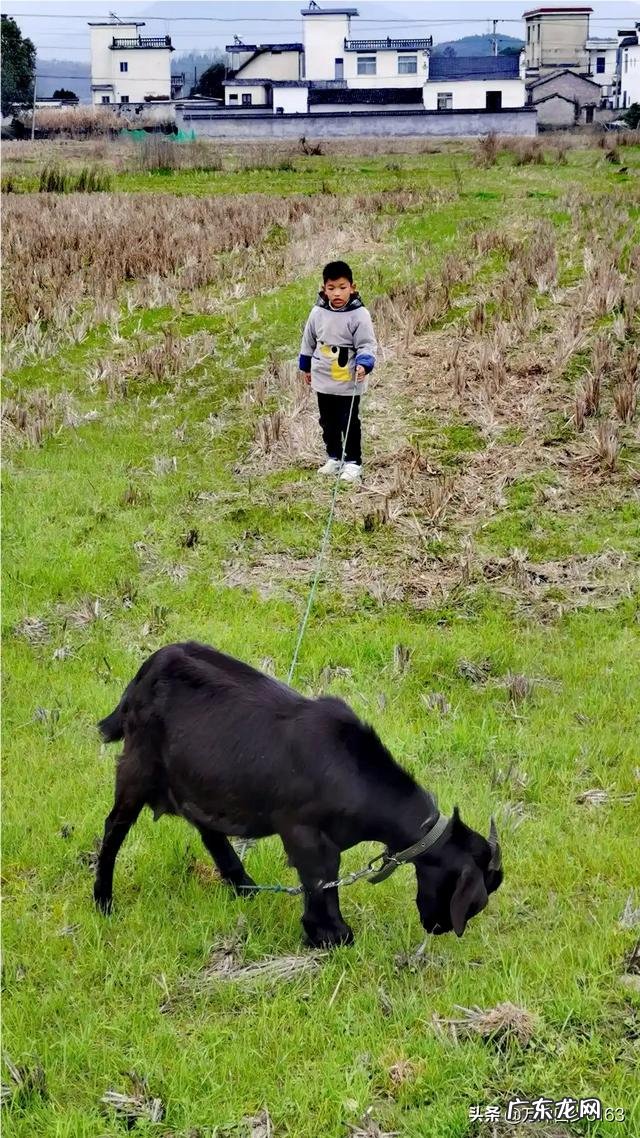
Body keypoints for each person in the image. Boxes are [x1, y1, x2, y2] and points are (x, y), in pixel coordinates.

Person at [299, 260, 377, 482]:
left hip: (348, 379)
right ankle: (334, 456)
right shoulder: (317, 312)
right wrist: (306, 367)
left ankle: (353, 462)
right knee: (328, 420)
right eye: (331, 288)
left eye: (342, 287)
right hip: (323, 376)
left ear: (352, 287)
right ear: (324, 289)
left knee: (349, 421)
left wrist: (364, 363)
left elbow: (366, 344)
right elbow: (308, 340)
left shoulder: (359, 315)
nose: (337, 293)